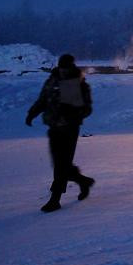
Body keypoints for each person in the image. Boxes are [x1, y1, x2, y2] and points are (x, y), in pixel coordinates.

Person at [26, 53, 95, 212]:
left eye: (67, 68)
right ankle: (83, 181)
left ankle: (55, 199)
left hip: (69, 130)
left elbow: (87, 108)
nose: (64, 71)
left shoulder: (78, 84)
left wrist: (74, 112)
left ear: (71, 67)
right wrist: (32, 113)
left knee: (61, 166)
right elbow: (43, 100)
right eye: (62, 68)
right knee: (60, 164)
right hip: (54, 128)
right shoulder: (52, 81)